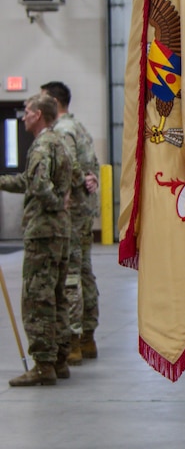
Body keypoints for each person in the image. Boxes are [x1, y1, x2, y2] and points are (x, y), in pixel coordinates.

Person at [0, 93, 72, 386]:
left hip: (43, 230)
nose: (23, 116)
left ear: (39, 115)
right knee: (56, 295)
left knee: (36, 299)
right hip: (59, 230)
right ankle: (59, 359)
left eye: (27, 111)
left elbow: (40, 187)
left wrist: (53, 202)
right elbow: (31, 183)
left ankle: (43, 364)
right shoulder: (58, 142)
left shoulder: (42, 146)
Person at [41, 81, 100, 362]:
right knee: (85, 272)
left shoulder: (62, 131)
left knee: (72, 275)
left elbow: (69, 167)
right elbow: (92, 165)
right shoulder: (79, 127)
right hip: (85, 212)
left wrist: (78, 181)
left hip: (72, 212)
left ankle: (74, 339)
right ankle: (88, 336)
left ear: (53, 101)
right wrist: (91, 179)